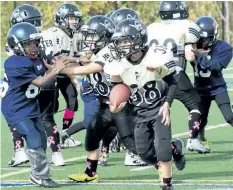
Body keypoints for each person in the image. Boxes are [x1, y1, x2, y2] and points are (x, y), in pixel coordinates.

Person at [106, 18, 182, 190]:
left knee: (162, 152)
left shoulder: (156, 55)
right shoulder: (119, 64)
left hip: (158, 110)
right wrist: (115, 103)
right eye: (119, 42)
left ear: (138, 39)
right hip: (139, 113)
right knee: (145, 154)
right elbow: (116, 87)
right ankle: (174, 148)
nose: (121, 46)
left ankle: (167, 184)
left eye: (125, 41)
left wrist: (167, 104)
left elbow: (173, 81)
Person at [2, 22, 68, 188]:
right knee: (32, 136)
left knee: (41, 139)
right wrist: (55, 70)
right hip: (15, 108)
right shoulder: (14, 62)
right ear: (16, 45)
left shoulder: (37, 58)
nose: (33, 47)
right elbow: (39, 82)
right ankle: (40, 176)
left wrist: (60, 63)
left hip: (30, 105)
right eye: (27, 44)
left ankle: (37, 174)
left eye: (34, 43)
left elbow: (50, 64)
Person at [147, 1, 210, 153]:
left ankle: (142, 145)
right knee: (196, 105)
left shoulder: (152, 27)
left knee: (153, 110)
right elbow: (188, 56)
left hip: (151, 74)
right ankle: (193, 140)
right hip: (173, 72)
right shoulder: (185, 27)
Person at [43, 3, 84, 148]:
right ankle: (50, 135)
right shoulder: (52, 33)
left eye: (75, 18)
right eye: (71, 18)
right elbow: (53, 59)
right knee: (51, 107)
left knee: (73, 103)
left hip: (66, 73)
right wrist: (77, 62)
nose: (74, 21)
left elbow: (80, 57)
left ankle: (65, 134)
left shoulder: (78, 35)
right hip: (51, 74)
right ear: (61, 18)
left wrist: (75, 77)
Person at [192, 16, 233, 149]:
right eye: (200, 39)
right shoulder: (191, 45)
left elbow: (215, 65)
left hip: (218, 88)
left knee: (229, 116)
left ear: (214, 35)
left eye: (206, 39)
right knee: (201, 119)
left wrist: (197, 54)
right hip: (200, 89)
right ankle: (201, 136)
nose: (203, 43)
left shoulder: (224, 48)